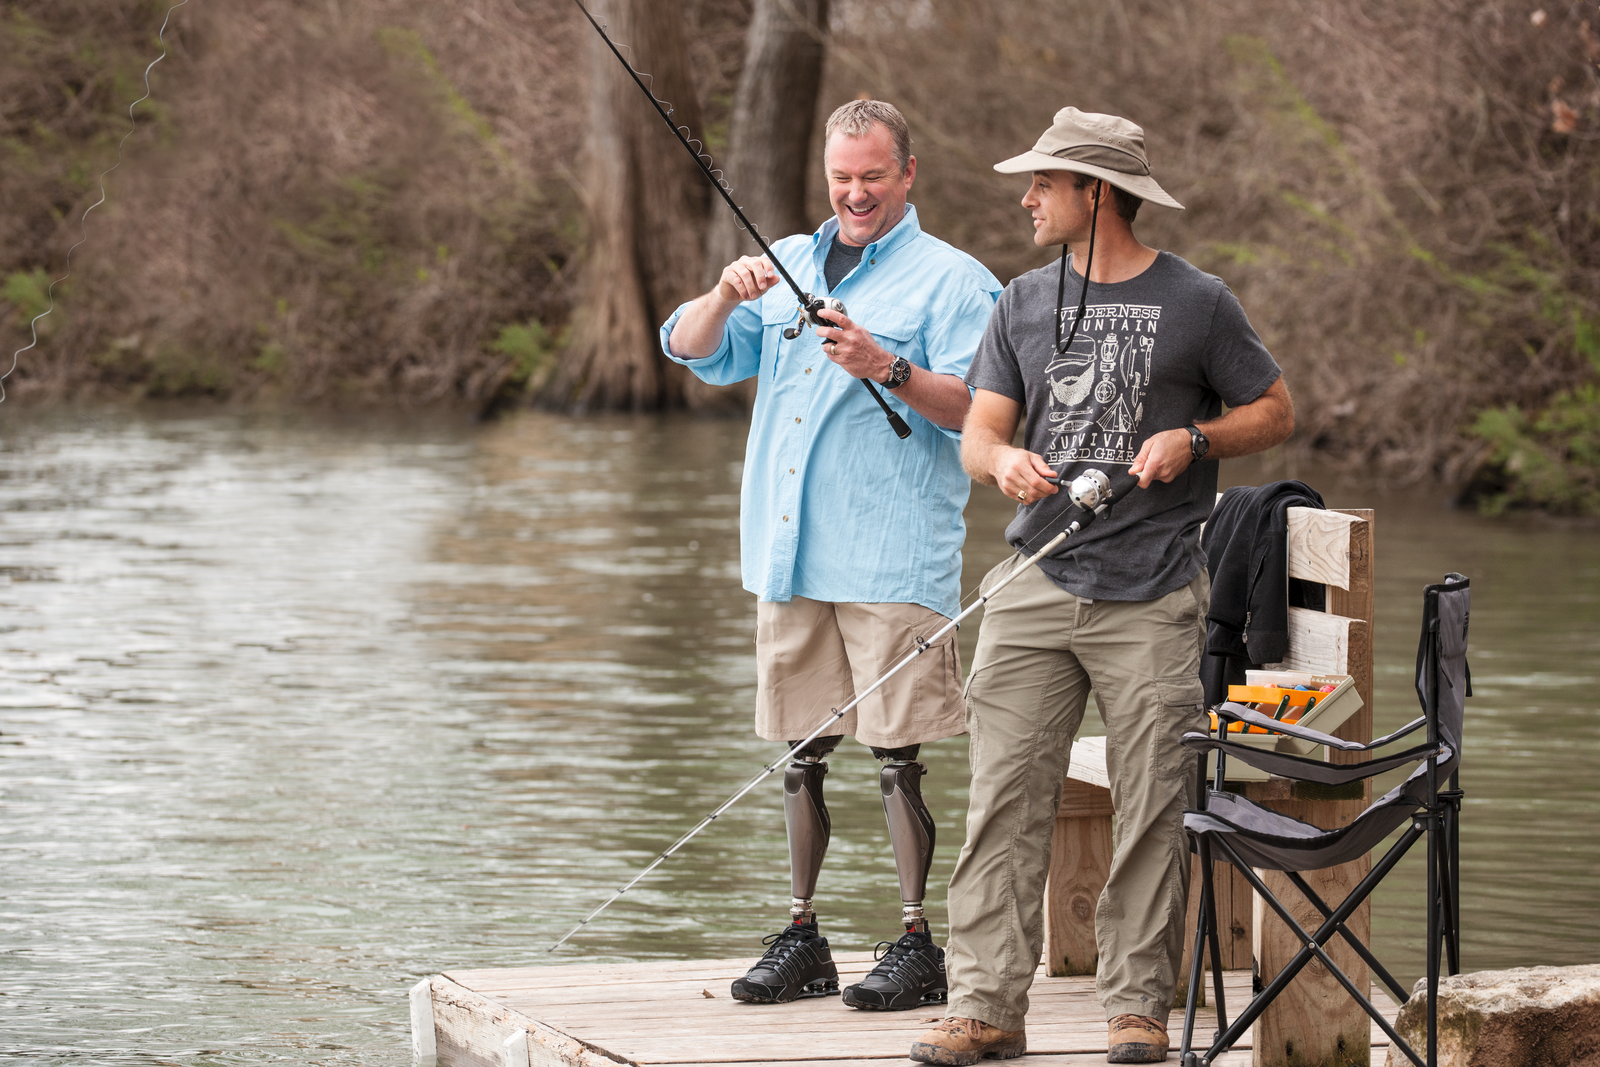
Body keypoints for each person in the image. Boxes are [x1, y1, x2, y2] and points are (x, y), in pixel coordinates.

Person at [909, 108, 1295, 1066]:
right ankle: (987, 1007)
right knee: (1002, 798)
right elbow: (979, 435)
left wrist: (1196, 438)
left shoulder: (1197, 301)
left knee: (1154, 801)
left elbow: (1276, 408)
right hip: (1035, 584)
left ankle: (1136, 1008)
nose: (1027, 197)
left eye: (1044, 181)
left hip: (1156, 591)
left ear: (1097, 193)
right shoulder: (1021, 301)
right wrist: (1004, 465)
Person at [662, 99, 1001, 1011]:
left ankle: (917, 941)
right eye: (842, 178)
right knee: (801, 752)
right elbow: (689, 349)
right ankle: (805, 937)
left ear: (908, 174)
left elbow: (983, 412)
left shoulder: (957, 282)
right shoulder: (783, 267)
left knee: (899, 754)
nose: (855, 193)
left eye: (873, 177)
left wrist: (883, 362)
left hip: (893, 556)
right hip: (790, 556)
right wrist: (727, 295)